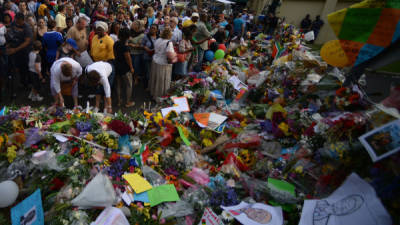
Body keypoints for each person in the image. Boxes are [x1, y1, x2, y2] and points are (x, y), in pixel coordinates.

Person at [6, 12, 33, 96]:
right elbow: (11, 33)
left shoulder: (27, 28)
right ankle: (18, 83)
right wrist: (8, 45)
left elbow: (27, 41)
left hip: (24, 51)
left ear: (23, 20)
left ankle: (27, 84)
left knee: (25, 68)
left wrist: (15, 49)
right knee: (15, 68)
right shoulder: (14, 23)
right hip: (14, 50)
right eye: (16, 20)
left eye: (19, 21)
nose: (17, 22)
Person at [149, 27, 175, 98]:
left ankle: (153, 93)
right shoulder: (169, 43)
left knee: (155, 78)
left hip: (155, 60)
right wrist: (175, 56)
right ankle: (160, 95)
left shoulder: (158, 40)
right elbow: (170, 56)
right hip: (163, 63)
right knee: (162, 80)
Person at [114, 27, 135, 108]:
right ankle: (128, 102)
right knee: (129, 84)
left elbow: (115, 54)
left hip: (117, 65)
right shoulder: (125, 47)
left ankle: (119, 101)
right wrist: (131, 67)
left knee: (118, 84)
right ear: (127, 36)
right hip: (125, 68)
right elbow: (128, 58)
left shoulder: (116, 43)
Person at [128, 20, 145, 84]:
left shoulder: (142, 35)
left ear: (138, 26)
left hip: (137, 53)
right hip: (130, 52)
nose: (132, 25)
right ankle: (132, 78)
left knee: (136, 67)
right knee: (130, 66)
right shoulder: (131, 32)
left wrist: (132, 44)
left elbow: (140, 45)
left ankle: (136, 78)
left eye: (134, 24)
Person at [142, 23, 157, 89]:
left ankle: (153, 86)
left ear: (157, 30)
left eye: (154, 28)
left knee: (154, 73)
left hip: (155, 58)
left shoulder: (158, 37)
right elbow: (142, 44)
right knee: (148, 73)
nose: (152, 29)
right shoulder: (145, 36)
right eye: (151, 28)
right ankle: (147, 86)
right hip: (147, 57)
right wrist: (145, 48)